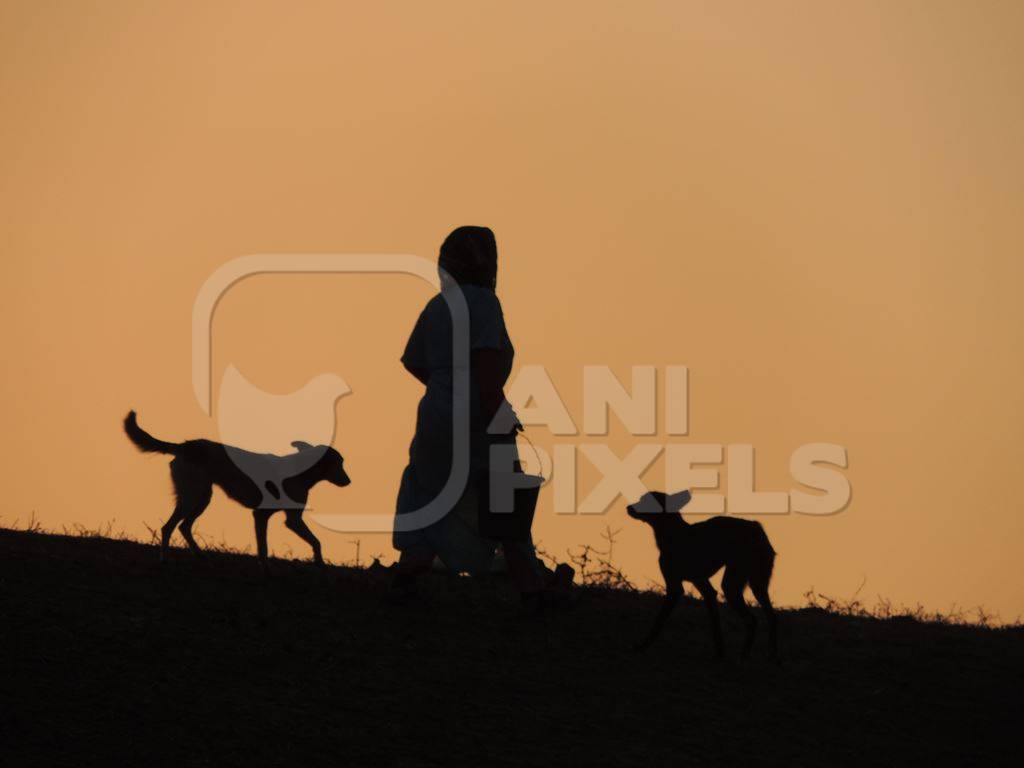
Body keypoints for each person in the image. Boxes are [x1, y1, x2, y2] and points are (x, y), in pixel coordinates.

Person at [391, 226, 571, 607]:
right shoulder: (485, 305)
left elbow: (413, 361)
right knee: (504, 495)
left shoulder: (437, 306)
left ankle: (408, 573)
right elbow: (486, 362)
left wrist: (444, 389)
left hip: (435, 413)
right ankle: (531, 589)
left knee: (431, 490)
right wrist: (497, 411)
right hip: (479, 414)